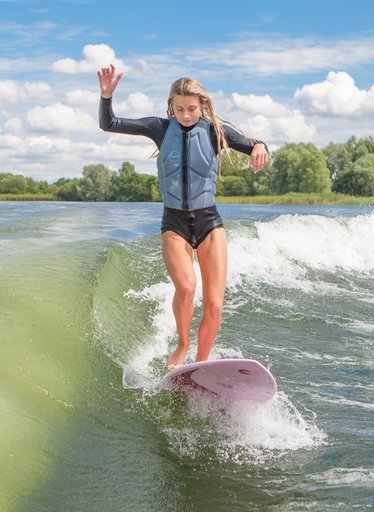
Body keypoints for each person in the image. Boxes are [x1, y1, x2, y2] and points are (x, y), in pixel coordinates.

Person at [97, 64, 269, 370]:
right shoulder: (160, 129)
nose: (186, 115)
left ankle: (201, 364)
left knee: (215, 305)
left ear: (202, 106)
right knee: (187, 288)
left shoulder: (216, 131)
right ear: (171, 107)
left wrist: (260, 147)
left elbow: (254, 142)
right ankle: (183, 343)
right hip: (174, 223)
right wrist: (106, 96)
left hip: (209, 222)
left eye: (191, 109)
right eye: (179, 109)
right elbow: (109, 124)